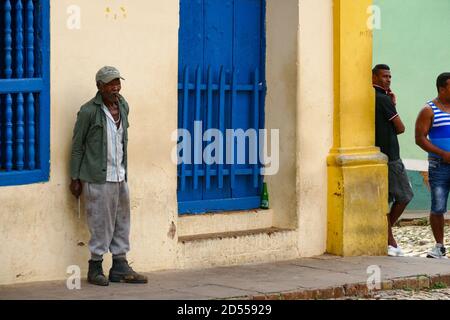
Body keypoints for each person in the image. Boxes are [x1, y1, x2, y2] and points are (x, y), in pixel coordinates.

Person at [70, 66, 148, 285]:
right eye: (110, 84)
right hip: (97, 176)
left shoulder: (123, 106)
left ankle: (120, 266)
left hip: (120, 174)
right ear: (99, 86)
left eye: (118, 83)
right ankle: (95, 267)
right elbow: (77, 147)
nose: (116, 88)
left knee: (122, 220)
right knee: (100, 222)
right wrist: (74, 178)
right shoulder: (88, 111)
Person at [373, 64, 414, 257]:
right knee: (405, 195)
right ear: (373, 78)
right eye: (384, 76)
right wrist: (392, 105)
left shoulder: (376, 97)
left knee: (386, 200)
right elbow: (400, 128)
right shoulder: (382, 99)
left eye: (389, 77)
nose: (388, 80)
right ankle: (388, 235)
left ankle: (388, 238)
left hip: (379, 155)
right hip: (391, 157)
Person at [415, 72, 450, 259]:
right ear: (442, 88)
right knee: (438, 206)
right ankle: (439, 246)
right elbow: (420, 138)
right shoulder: (429, 110)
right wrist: (442, 153)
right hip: (439, 165)